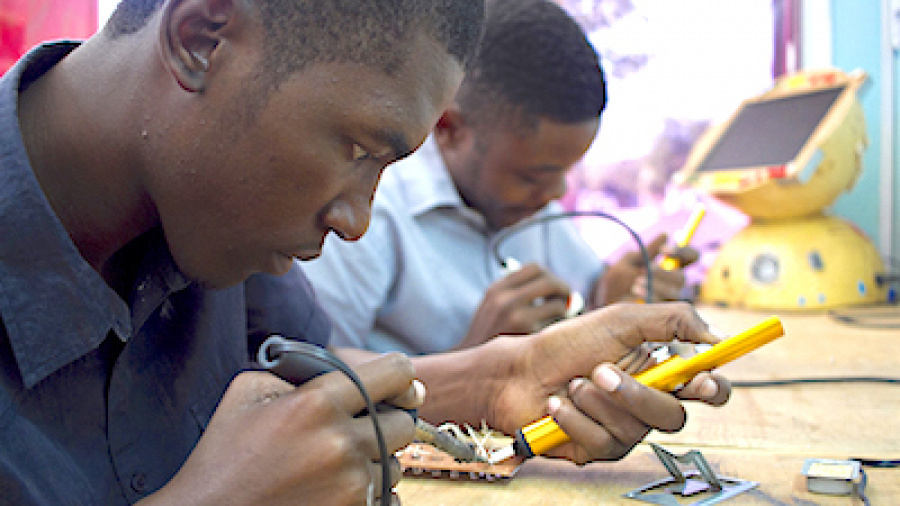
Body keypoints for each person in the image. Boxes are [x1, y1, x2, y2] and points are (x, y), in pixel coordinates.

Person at [0, 0, 728, 505]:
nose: (357, 222)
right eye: (357, 149)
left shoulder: (212, 223)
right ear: (201, 39)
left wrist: (505, 377)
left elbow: (319, 388)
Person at [302, 0, 698, 355]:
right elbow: (316, 382)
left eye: (565, 170)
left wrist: (613, 299)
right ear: (449, 128)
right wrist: (475, 359)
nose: (556, 192)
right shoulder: (368, 215)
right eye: (532, 176)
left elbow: (593, 297)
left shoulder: (528, 208)